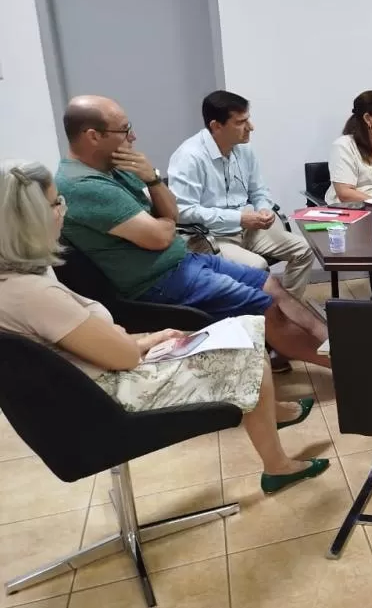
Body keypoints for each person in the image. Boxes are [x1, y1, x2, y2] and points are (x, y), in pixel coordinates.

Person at [0, 160, 329, 494]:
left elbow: (80, 339)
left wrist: (130, 338)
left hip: (86, 383)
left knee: (243, 336)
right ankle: (278, 465)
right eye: (56, 203)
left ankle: (274, 424)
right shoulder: (33, 294)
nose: (63, 210)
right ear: (28, 221)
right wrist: (143, 340)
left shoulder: (17, 280)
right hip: (108, 397)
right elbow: (123, 357)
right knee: (249, 351)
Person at [54, 95, 330, 369]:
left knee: (272, 285)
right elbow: (164, 233)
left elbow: (170, 213)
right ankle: (342, 366)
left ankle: (334, 341)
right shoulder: (85, 186)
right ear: (93, 136)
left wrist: (152, 180)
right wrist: (164, 219)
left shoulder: (116, 169)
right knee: (265, 305)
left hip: (182, 261)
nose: (133, 136)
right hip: (157, 281)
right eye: (125, 130)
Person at [167, 90, 314, 301]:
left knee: (304, 250)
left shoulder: (244, 149)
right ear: (216, 126)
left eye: (248, 119)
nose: (250, 127)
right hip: (208, 238)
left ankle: (284, 308)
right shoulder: (189, 156)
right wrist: (239, 218)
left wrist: (264, 209)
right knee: (258, 267)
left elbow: (259, 190)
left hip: (247, 229)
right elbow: (182, 211)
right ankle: (268, 312)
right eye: (241, 122)